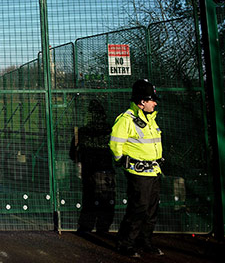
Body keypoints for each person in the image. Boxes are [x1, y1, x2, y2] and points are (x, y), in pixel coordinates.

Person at [109, 79, 164, 257]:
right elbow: (115, 144)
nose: (155, 103)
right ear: (142, 102)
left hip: (154, 171)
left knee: (151, 209)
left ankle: (144, 241)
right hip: (138, 172)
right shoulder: (126, 120)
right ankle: (125, 243)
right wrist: (122, 160)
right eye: (152, 100)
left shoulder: (150, 119)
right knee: (138, 208)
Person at [69, 99, 115, 235]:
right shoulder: (110, 130)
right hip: (106, 170)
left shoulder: (82, 132)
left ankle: (85, 228)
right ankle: (103, 228)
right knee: (106, 201)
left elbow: (72, 154)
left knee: (89, 199)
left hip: (89, 171)